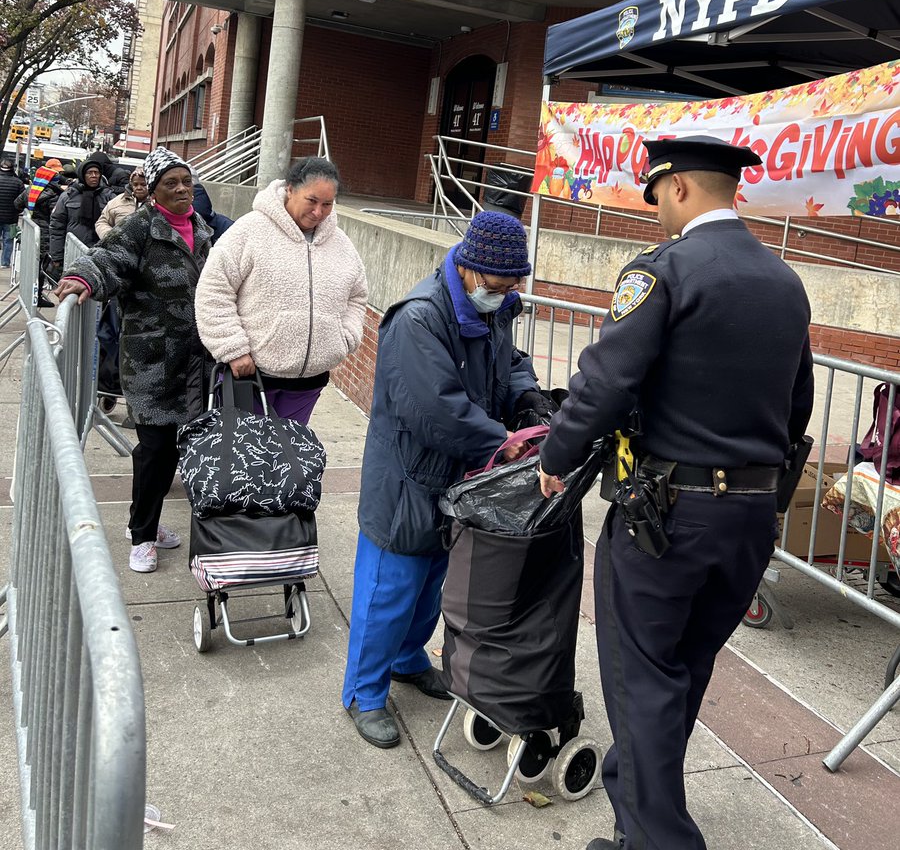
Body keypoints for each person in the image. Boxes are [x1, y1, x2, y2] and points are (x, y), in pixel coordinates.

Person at [538, 135, 814, 850]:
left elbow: (604, 382)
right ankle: (639, 815)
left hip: (668, 518)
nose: (656, 207)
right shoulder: (786, 283)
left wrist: (557, 456)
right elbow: (799, 406)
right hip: (750, 516)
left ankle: (660, 840)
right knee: (679, 673)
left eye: (658, 192)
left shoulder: (664, 271)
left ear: (682, 188)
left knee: (641, 679)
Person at [341, 210, 552, 749]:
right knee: (389, 589)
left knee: (434, 584)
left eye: (513, 287)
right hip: (409, 479)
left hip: (460, 479)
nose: (505, 295)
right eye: (496, 285)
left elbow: (509, 362)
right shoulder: (418, 319)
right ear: (467, 269)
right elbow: (436, 411)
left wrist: (526, 396)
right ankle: (364, 694)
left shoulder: (497, 305)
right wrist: (503, 443)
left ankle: (410, 660)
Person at [54, 148, 213, 574]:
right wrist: (82, 277)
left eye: (186, 181)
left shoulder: (201, 228)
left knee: (173, 448)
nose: (181, 189)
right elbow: (107, 259)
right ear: (155, 191)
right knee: (155, 449)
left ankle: (149, 520)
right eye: (170, 183)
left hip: (193, 361)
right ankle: (142, 536)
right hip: (151, 361)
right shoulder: (141, 226)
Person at [194, 156, 367, 426]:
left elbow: (357, 295)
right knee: (245, 463)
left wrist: (344, 338)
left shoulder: (341, 244)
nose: (319, 212)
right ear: (290, 189)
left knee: (289, 464)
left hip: (308, 384)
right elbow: (214, 291)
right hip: (250, 379)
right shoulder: (249, 231)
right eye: (312, 201)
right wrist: (233, 349)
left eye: (327, 204)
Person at [15, 158, 64, 306]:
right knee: (41, 266)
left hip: (31, 231)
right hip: (46, 234)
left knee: (32, 264)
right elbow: (57, 216)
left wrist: (30, 211)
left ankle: (30, 293)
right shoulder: (54, 195)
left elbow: (17, 204)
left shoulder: (31, 190)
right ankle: (36, 296)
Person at [48, 155, 109, 271]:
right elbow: (57, 227)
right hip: (72, 253)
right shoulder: (68, 196)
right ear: (82, 175)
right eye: (89, 173)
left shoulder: (108, 196)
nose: (94, 176)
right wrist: (57, 256)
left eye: (96, 173)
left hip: (98, 255)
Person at [96, 168, 149, 238]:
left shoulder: (159, 202)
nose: (139, 187)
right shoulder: (117, 202)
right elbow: (102, 222)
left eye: (143, 184)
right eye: (135, 184)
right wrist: (110, 237)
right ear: (131, 185)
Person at [0, 156, 25, 269]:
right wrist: (18, 210)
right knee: (9, 240)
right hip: (11, 218)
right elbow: (23, 199)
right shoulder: (18, 183)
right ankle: (5, 263)